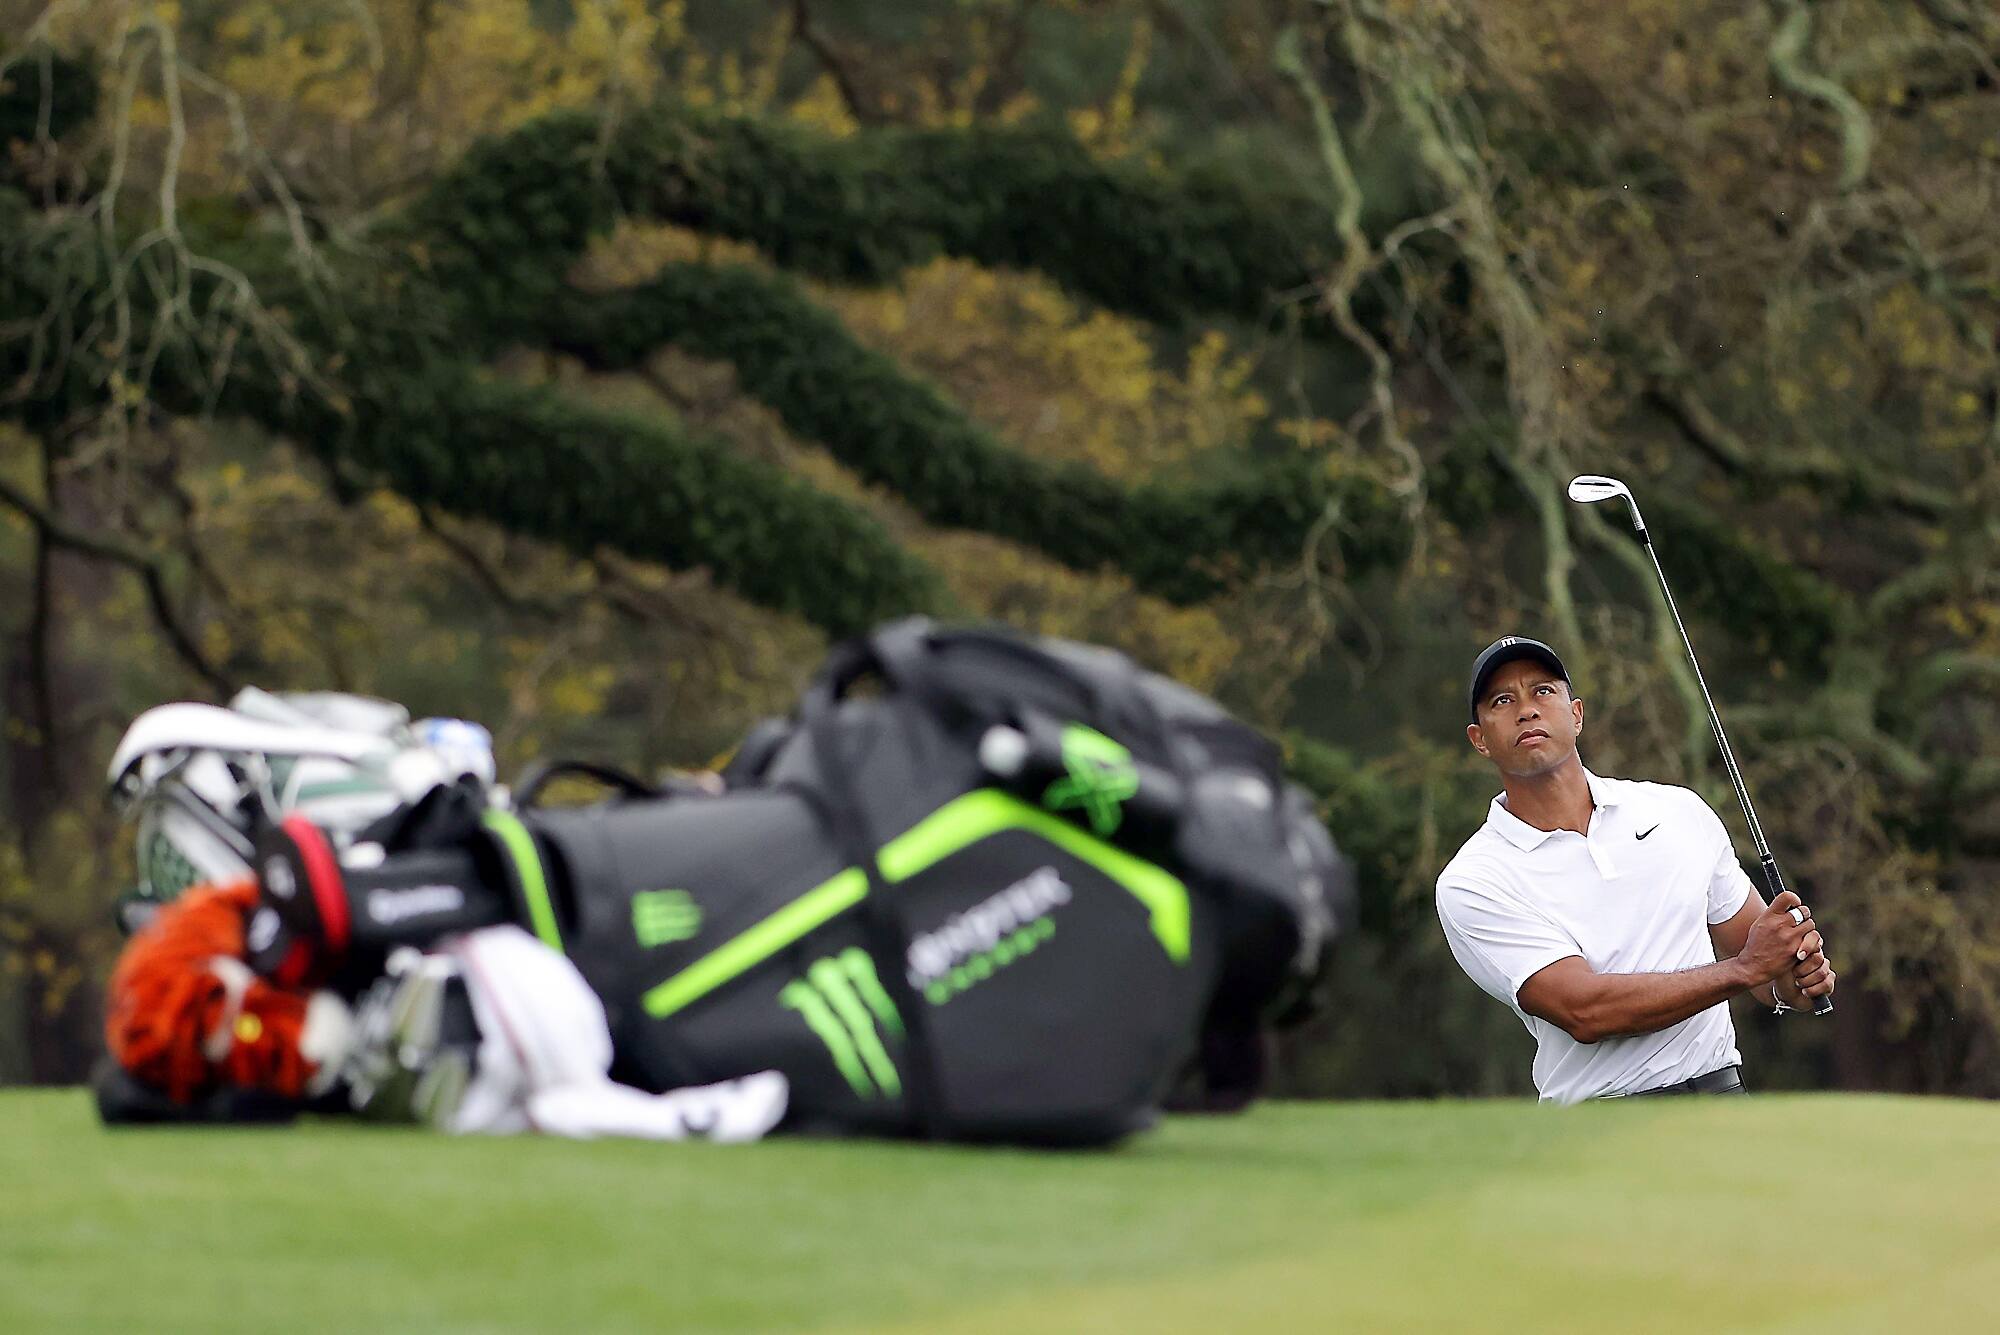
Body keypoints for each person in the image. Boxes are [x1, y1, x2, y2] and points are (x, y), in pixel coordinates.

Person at [1434, 636, 1835, 1102]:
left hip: (1724, 1101)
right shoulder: (1474, 880)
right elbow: (1585, 1011)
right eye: (1502, 700)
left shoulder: (1678, 810)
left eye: (1543, 691)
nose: (1527, 710)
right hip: (1599, 1127)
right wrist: (1745, 969)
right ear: (1479, 739)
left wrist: (1793, 981)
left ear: (1576, 713)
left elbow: (1767, 971)